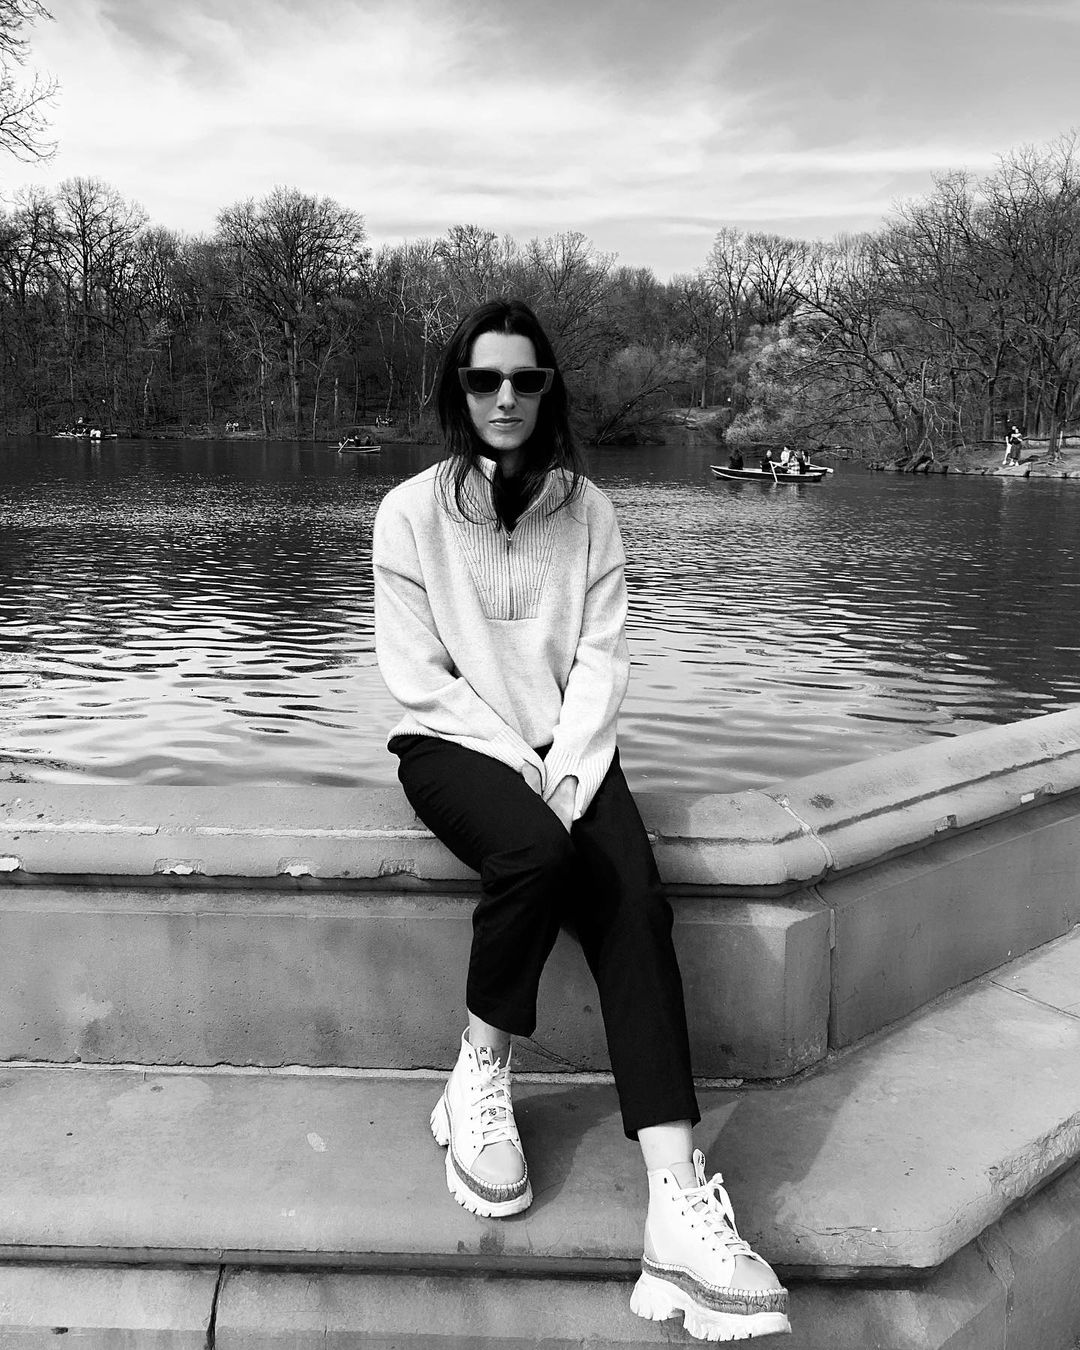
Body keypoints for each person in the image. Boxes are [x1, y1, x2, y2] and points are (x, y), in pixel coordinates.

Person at [372, 299, 789, 1343]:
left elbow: (603, 659)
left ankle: (678, 1207)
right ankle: (477, 1075)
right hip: (452, 745)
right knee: (530, 851)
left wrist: (567, 764)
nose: (505, 397)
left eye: (526, 379)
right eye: (484, 379)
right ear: (458, 391)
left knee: (634, 900)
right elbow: (418, 679)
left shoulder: (590, 510)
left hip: (573, 749)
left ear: (549, 390)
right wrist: (524, 768)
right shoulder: (407, 514)